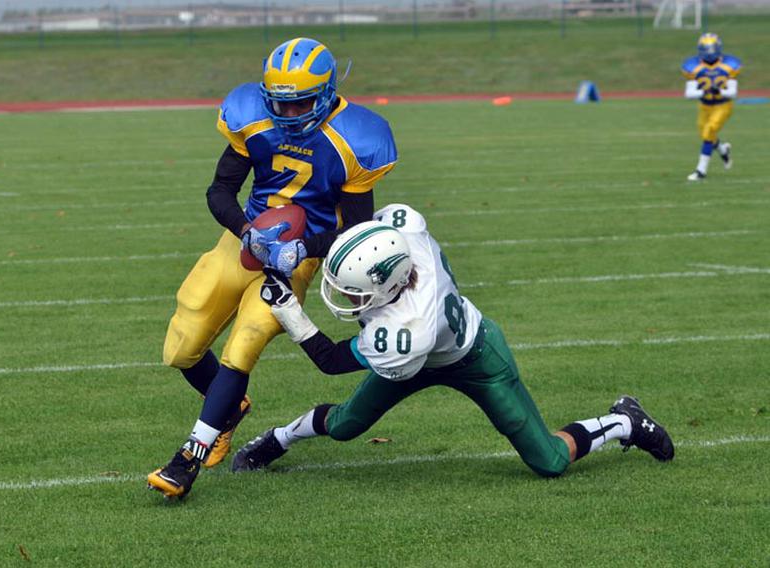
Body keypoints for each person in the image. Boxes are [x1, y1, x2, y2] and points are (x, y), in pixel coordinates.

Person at [232, 203, 675, 477]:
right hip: (421, 348)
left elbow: (330, 360)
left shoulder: (406, 328)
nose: (347, 297)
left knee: (549, 462)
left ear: (387, 287)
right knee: (348, 425)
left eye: (354, 292)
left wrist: (288, 310)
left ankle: (624, 421)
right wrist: (303, 246)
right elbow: (366, 232)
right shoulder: (402, 233)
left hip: (475, 357)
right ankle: (276, 439)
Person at [147, 38, 398, 499]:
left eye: (298, 101)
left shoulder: (356, 137)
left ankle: (187, 459)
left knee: (246, 340)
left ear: (324, 94)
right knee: (181, 348)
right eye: (278, 101)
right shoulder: (252, 115)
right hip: (245, 240)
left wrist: (303, 250)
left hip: (296, 258)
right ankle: (228, 409)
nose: (287, 112)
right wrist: (245, 229)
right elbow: (219, 190)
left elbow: (358, 229)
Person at [682, 33, 741, 181]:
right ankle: (723, 149)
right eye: (706, 49)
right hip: (704, 106)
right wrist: (706, 90)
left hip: (723, 105)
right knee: (706, 135)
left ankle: (701, 171)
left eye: (712, 48)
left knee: (709, 131)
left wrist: (719, 90)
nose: (709, 52)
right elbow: (689, 93)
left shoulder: (729, 65)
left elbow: (733, 92)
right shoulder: (693, 67)